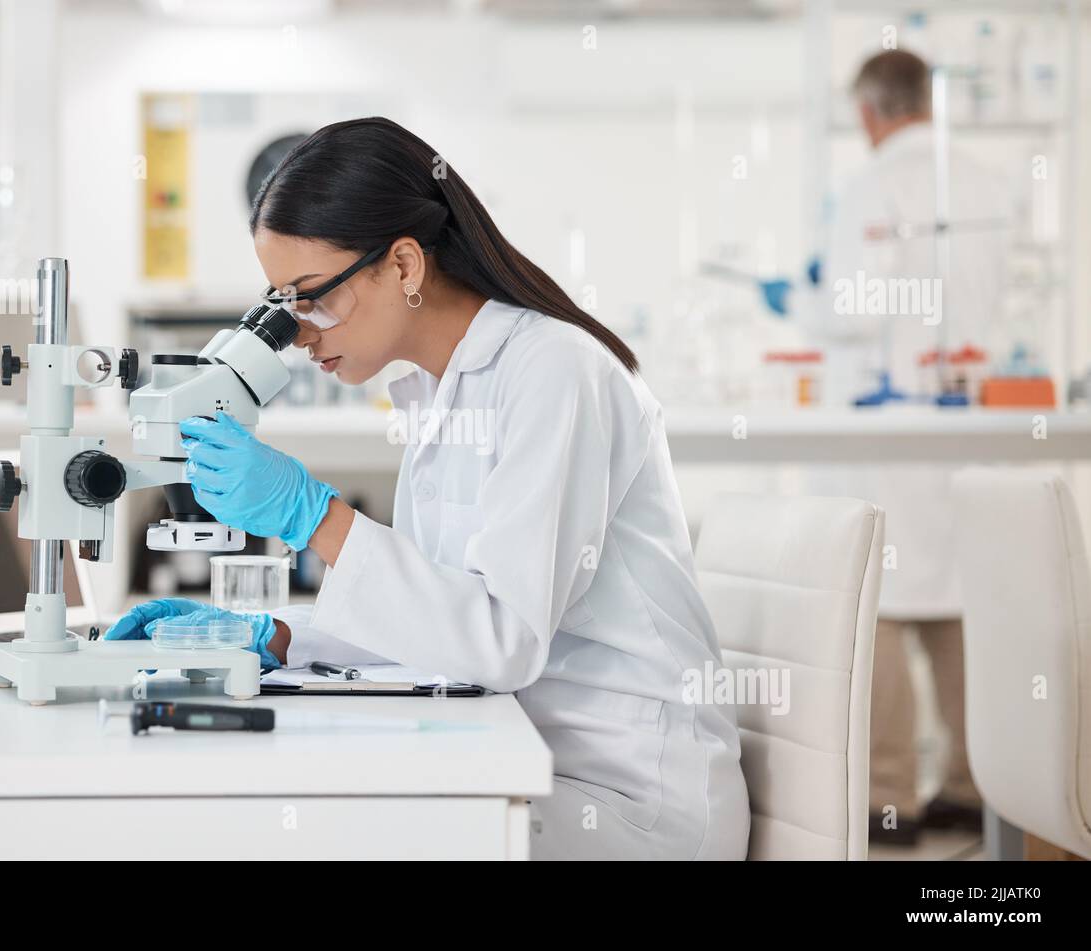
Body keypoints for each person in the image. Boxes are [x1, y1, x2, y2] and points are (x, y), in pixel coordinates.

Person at [107, 117, 750, 860]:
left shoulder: (555, 372)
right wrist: (269, 636)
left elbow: (500, 640)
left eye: (311, 296)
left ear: (404, 265)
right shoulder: (430, 391)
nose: (300, 332)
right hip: (515, 748)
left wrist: (314, 518)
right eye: (281, 303)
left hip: (627, 795)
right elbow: (435, 621)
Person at [758, 50, 1009, 844]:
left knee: (888, 601)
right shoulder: (982, 177)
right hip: (966, 409)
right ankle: (974, 784)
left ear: (869, 112)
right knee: (959, 599)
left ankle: (889, 794)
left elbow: (856, 308)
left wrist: (800, 294)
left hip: (890, 418)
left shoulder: (871, 181)